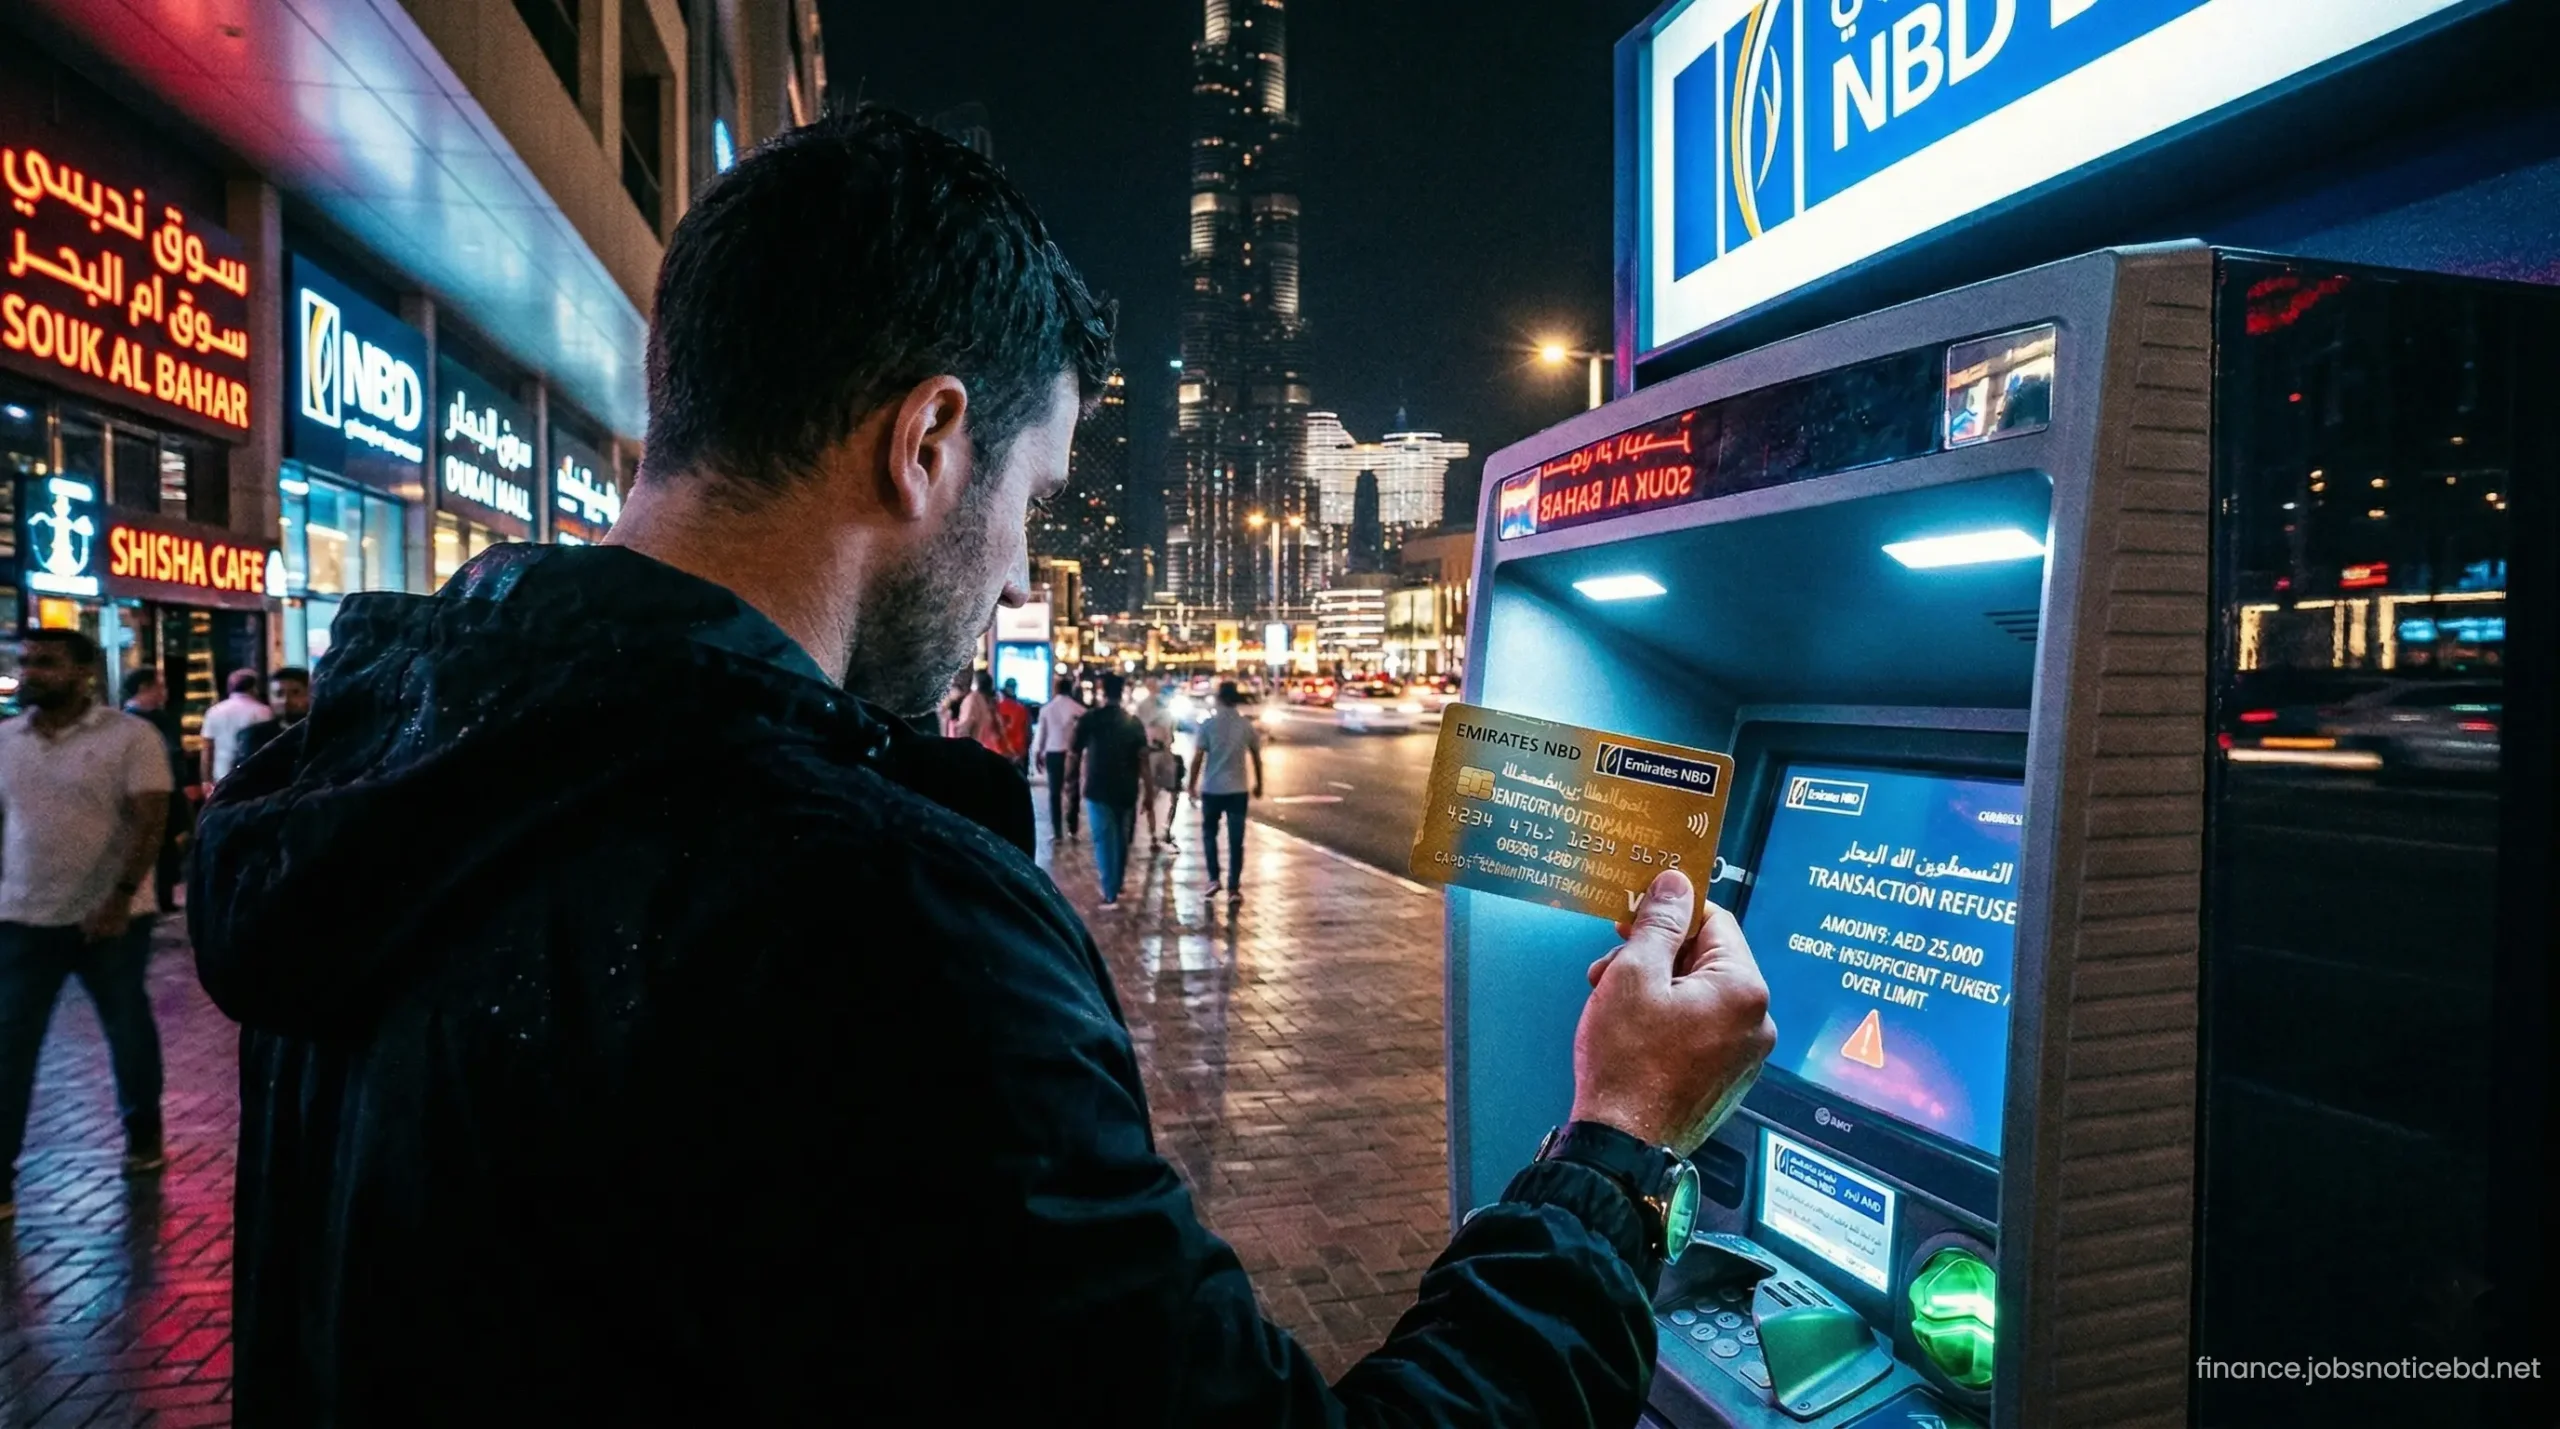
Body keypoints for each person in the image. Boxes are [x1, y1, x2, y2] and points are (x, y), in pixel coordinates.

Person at [188, 108, 1775, 1424]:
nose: (1019, 574)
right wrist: (1619, 1147)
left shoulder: (380, 778)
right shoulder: (865, 920)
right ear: (927, 439)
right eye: (1034, 490)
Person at [0, 630, 174, 1221]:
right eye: (24, 662)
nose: (30, 672)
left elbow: (151, 819)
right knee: (11, 1044)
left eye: (46, 663)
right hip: (24, 915)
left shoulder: (131, 738)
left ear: (83, 673)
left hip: (112, 920)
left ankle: (143, 1134)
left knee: (126, 1027)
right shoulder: (6, 742)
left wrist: (120, 897)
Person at [1067, 671, 1149, 907]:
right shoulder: (1133, 723)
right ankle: (1117, 883)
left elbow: (1074, 751)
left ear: (1102, 691)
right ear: (1122, 692)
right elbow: (1143, 760)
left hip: (1097, 787)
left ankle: (1109, 891)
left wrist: (1070, 780)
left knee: (1105, 840)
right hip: (1127, 788)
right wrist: (1150, 793)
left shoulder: (1090, 719)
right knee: (1121, 840)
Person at [119, 667, 191, 912]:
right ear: (144, 689)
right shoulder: (132, 723)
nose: (164, 692)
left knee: (167, 844)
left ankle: (163, 896)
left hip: (167, 790)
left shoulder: (156, 718)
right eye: (159, 686)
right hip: (149, 793)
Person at [1188, 680, 1264, 900]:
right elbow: (1256, 756)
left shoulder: (1208, 725)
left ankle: (1213, 879)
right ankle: (1233, 887)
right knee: (1236, 840)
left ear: (1219, 699)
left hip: (1212, 788)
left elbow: (1198, 757)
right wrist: (1259, 783)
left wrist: (1191, 784)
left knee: (1209, 834)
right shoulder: (1245, 725)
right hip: (1238, 790)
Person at [1029, 674, 1085, 841]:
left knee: (1054, 792)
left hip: (1053, 753)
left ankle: (1057, 831)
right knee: (1073, 791)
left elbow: (1042, 735)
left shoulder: (1047, 709)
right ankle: (1072, 828)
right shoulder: (1079, 709)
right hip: (1072, 754)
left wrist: (1038, 754)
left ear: (1056, 690)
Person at [198, 668, 270, 786]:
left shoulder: (214, 712)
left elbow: (207, 748)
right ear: (255, 688)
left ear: (230, 687)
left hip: (221, 777)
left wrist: (206, 780)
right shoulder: (264, 712)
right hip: (256, 777)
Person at [236, 666, 311, 764]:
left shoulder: (324, 733)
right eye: (279, 694)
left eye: (295, 693)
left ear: (311, 694)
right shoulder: (253, 736)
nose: (285, 701)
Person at [1139, 677, 1181, 850]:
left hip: (1163, 753)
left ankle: (1162, 831)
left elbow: (1171, 729)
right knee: (1153, 794)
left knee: (1171, 793)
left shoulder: (1162, 706)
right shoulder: (1146, 707)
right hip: (1155, 753)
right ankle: (1155, 834)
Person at [995, 677, 1032, 776]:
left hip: (999, 753)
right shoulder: (1022, 709)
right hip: (1018, 755)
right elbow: (1028, 734)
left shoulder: (996, 708)